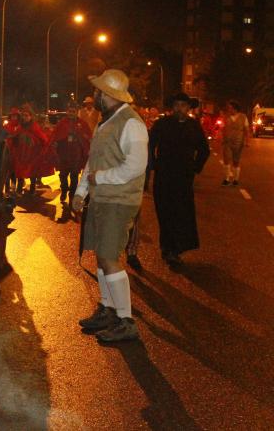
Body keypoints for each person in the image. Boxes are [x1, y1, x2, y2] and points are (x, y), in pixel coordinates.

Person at [72, 69, 148, 342]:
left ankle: (126, 320)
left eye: (99, 92)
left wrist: (100, 178)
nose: (95, 96)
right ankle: (108, 309)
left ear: (110, 95)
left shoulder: (132, 124)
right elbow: (93, 161)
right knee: (101, 258)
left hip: (119, 200)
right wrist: (81, 192)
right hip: (102, 199)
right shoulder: (106, 123)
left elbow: (136, 166)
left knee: (108, 258)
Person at [149, 92, 210, 265]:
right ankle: (166, 247)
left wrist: (195, 168)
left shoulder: (194, 126)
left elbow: (204, 150)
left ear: (188, 108)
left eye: (183, 105)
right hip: (163, 177)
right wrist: (153, 165)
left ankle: (174, 249)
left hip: (184, 179)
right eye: (176, 105)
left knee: (181, 213)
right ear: (172, 107)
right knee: (164, 212)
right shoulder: (161, 124)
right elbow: (150, 145)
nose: (179, 109)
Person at [50, 102, 91, 207]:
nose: (71, 113)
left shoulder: (82, 123)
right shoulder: (62, 123)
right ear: (67, 111)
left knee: (74, 178)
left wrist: (79, 136)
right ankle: (64, 190)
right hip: (63, 155)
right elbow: (55, 136)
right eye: (70, 111)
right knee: (63, 176)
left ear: (76, 112)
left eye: (73, 111)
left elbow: (87, 138)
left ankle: (72, 196)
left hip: (76, 156)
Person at [11, 106, 49, 195]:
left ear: (31, 117)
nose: (25, 117)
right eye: (23, 115)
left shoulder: (34, 127)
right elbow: (15, 138)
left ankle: (32, 189)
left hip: (32, 156)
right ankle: (19, 190)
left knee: (32, 173)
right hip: (21, 155)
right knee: (20, 173)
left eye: (26, 115)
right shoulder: (20, 127)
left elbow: (42, 138)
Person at [220, 100, 249, 186]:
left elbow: (246, 130)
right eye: (228, 108)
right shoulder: (226, 117)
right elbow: (222, 128)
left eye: (230, 108)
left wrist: (247, 141)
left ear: (235, 109)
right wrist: (220, 137)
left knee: (236, 161)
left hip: (238, 142)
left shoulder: (243, 117)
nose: (229, 110)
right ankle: (227, 179)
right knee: (226, 160)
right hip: (227, 142)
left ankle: (236, 179)